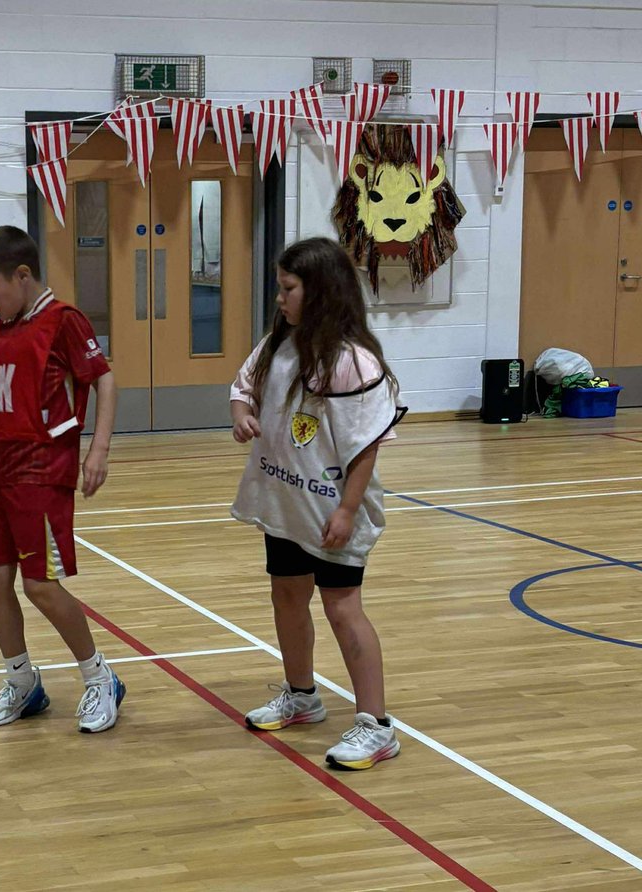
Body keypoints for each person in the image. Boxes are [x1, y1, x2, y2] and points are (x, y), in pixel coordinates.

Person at [230, 237, 406, 769]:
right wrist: (242, 414)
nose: (278, 299)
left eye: (288, 288)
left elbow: (365, 446)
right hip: (285, 504)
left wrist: (348, 509)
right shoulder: (279, 345)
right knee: (287, 595)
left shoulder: (353, 363)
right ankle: (302, 695)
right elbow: (242, 388)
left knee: (341, 607)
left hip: (331, 511)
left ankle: (375, 726)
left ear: (321, 291)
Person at [0, 225, 125, 734]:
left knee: (40, 584)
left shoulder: (63, 320)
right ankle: (22, 682)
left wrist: (97, 449)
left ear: (22, 274)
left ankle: (100, 678)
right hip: (0, 466)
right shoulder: (8, 322)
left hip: (42, 468)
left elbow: (103, 377)